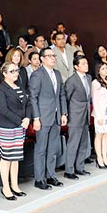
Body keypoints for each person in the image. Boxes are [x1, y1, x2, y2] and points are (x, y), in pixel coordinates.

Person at [29, 47, 68, 190]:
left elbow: (61, 95)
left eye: (54, 56)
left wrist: (64, 113)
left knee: (53, 148)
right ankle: (39, 179)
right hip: (43, 117)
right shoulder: (37, 75)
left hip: (56, 116)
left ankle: (50, 175)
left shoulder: (57, 74)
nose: (53, 58)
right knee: (41, 149)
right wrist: (36, 118)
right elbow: (33, 98)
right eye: (49, 56)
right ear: (42, 59)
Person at [0, 62, 31, 200]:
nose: (16, 73)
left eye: (16, 70)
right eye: (12, 71)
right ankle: (6, 187)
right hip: (8, 127)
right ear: (4, 74)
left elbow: (28, 103)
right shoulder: (0, 89)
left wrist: (27, 118)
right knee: (6, 158)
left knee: (15, 158)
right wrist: (20, 121)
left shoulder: (19, 86)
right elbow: (3, 110)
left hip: (20, 126)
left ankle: (15, 185)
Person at [64, 55, 92, 180]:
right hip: (75, 115)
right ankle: (69, 170)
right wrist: (66, 113)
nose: (86, 65)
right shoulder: (71, 80)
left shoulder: (89, 78)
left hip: (86, 113)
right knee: (73, 143)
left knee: (83, 142)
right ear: (76, 66)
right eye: (84, 63)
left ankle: (79, 167)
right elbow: (66, 98)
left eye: (87, 63)